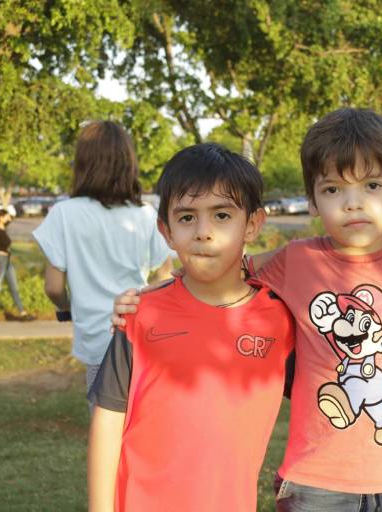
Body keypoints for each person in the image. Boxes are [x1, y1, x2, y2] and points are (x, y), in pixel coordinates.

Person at [114, 108, 382, 511]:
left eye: (371, 185)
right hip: (316, 482)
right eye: (333, 190)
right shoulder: (297, 260)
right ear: (312, 201)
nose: (353, 204)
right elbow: (222, 268)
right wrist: (150, 297)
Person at [87, 143, 295, 511]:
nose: (203, 232)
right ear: (166, 231)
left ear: (252, 224)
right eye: (186, 218)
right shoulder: (140, 314)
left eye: (222, 215)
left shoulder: (279, 319)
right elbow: (108, 420)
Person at [32, 120, 173, 398]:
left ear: (82, 163)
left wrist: (66, 308)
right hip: (138, 336)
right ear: (128, 164)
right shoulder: (145, 214)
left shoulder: (64, 214)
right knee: (139, 417)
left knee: (102, 418)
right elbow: (165, 276)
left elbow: (53, 287)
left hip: (96, 343)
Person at [0, 209, 34, 321]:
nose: (8, 218)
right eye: (6, 216)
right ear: (0, 218)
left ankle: (22, 313)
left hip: (7, 262)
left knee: (14, 288)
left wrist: (10, 216)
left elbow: (11, 219)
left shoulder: (2, 228)